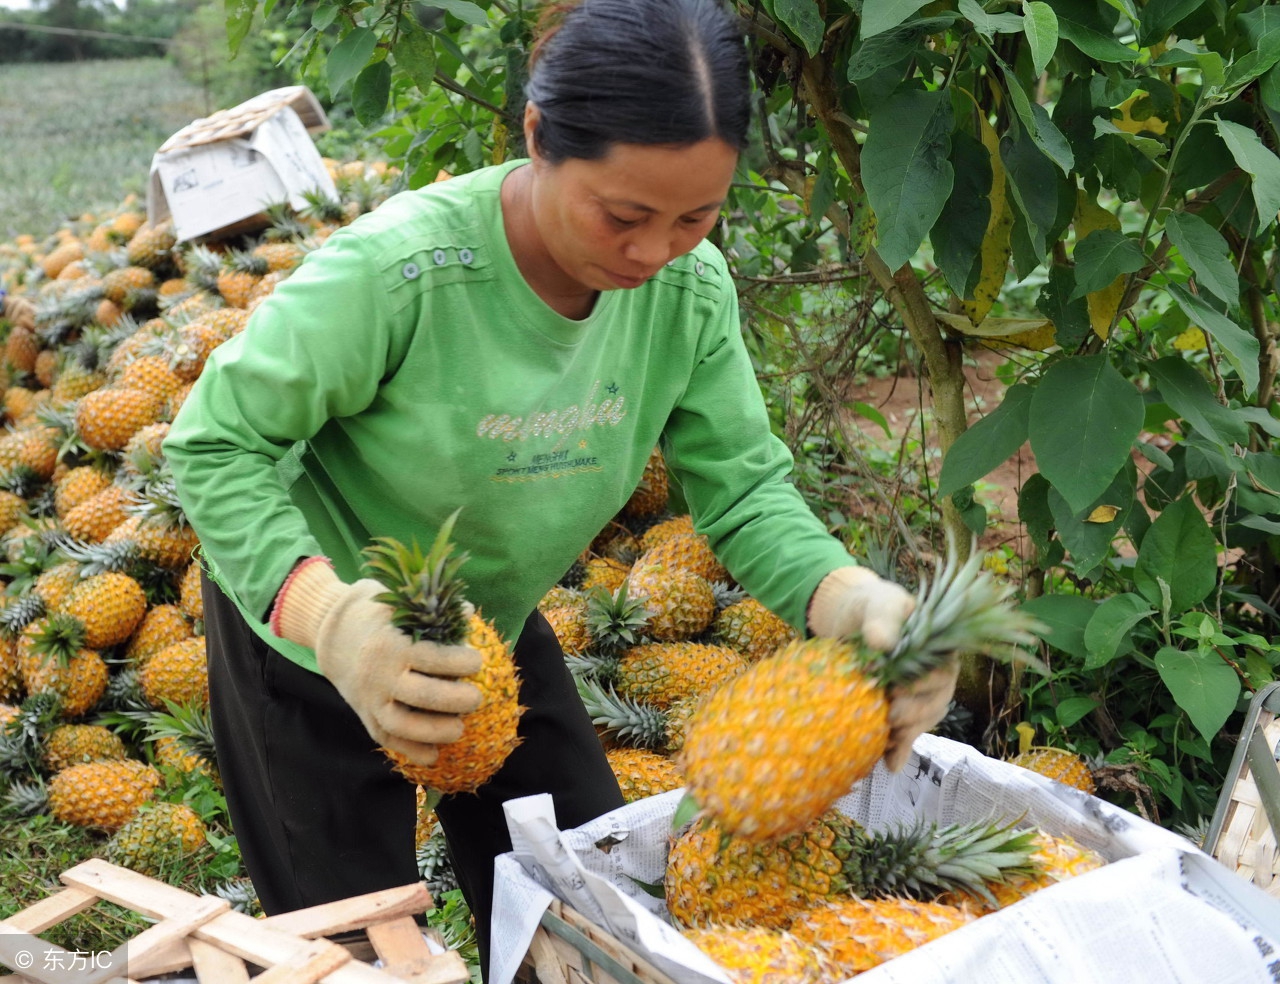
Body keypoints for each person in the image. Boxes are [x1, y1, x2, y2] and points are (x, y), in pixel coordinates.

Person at [163, 0, 956, 975]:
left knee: (582, 897)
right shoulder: (403, 274)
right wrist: (328, 620)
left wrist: (848, 597)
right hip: (304, 614)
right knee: (345, 945)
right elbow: (211, 442)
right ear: (537, 136)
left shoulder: (687, 295)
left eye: (695, 216)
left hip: (488, 617)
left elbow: (744, 494)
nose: (652, 252)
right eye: (621, 214)